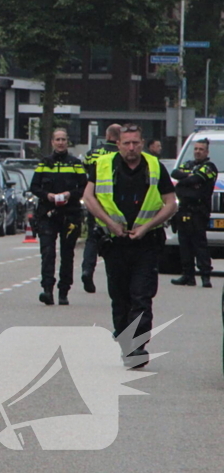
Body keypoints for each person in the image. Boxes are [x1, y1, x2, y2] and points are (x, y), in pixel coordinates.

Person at [83, 124, 177, 369]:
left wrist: (147, 226)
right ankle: (125, 339)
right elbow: (89, 197)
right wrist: (110, 224)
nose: (132, 148)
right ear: (118, 145)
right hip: (115, 242)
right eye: (127, 143)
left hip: (146, 242)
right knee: (120, 296)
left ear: (142, 143)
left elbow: (170, 203)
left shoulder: (155, 167)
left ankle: (137, 346)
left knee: (142, 296)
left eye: (136, 143)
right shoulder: (103, 165)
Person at [30, 128, 87, 306]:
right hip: (48, 214)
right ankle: (47, 290)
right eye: (57, 139)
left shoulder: (76, 163)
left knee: (67, 253)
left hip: (70, 214)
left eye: (63, 139)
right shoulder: (44, 163)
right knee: (47, 253)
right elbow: (34, 187)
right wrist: (47, 196)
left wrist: (69, 194)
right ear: (52, 142)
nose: (60, 142)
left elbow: (84, 187)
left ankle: (64, 291)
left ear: (67, 142)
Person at [170, 138, 218, 288]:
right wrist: (189, 179)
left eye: (201, 149)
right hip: (183, 210)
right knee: (184, 245)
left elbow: (196, 179)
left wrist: (188, 180)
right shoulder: (189, 164)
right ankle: (188, 276)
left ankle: (205, 276)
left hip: (198, 212)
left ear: (207, 152)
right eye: (196, 149)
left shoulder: (210, 167)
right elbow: (175, 173)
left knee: (199, 245)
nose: (198, 151)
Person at [80, 123, 121, 293]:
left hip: (95, 202)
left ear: (106, 135)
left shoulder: (92, 153)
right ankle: (115, 278)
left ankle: (87, 269)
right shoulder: (121, 153)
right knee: (116, 240)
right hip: (116, 203)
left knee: (92, 237)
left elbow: (84, 174)